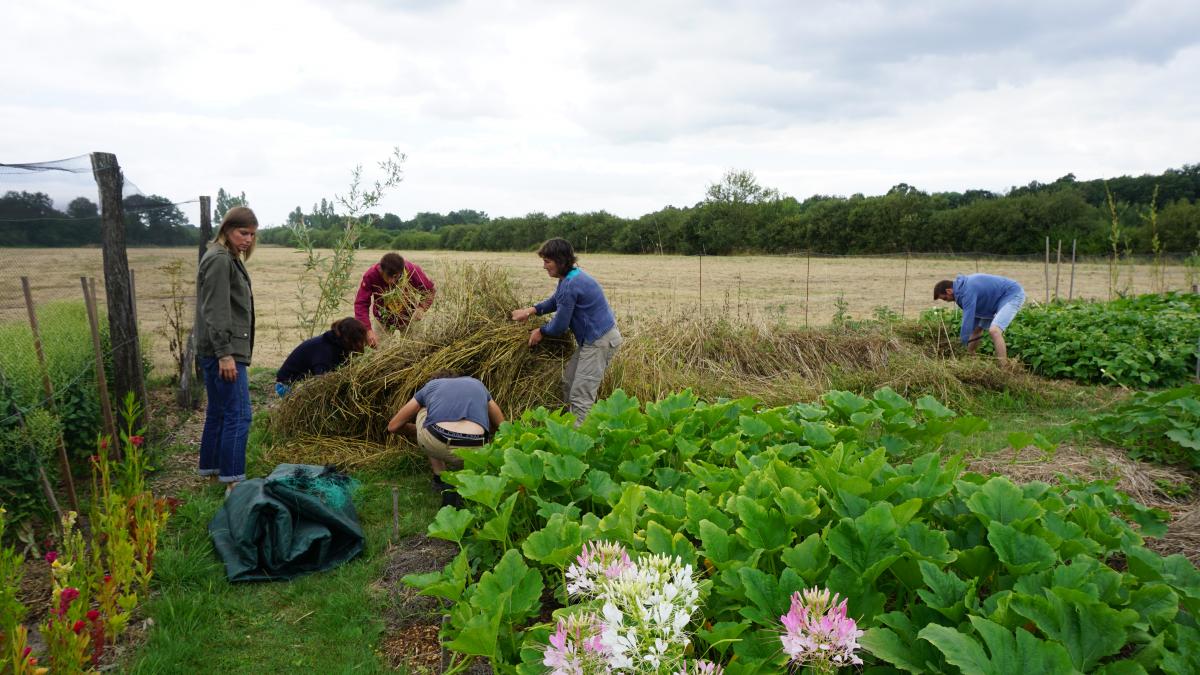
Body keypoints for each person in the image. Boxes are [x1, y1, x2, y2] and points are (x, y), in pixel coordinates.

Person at [511, 237, 622, 425]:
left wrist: (541, 331)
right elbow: (556, 300)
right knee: (569, 383)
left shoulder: (572, 284)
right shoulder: (570, 277)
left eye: (547, 262)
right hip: (591, 341)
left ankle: (578, 446)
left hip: (599, 342)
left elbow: (560, 326)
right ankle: (570, 429)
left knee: (581, 396)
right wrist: (530, 311)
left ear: (560, 261)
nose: (544, 266)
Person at [195, 206, 258, 495]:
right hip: (225, 351)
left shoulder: (226, 256)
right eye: (242, 232)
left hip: (219, 349)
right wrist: (225, 354)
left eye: (252, 234)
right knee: (239, 413)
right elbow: (216, 310)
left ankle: (212, 473)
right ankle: (234, 482)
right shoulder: (220, 259)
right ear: (227, 229)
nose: (247, 239)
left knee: (219, 412)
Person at [386, 370, 505, 506]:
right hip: (476, 447)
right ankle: (467, 482)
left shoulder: (431, 386)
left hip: (437, 441)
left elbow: (393, 426)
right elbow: (501, 425)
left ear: (437, 379)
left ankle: (440, 478)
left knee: (425, 410)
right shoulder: (478, 385)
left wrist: (419, 430)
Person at [934, 273, 1025, 364]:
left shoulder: (966, 291)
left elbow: (967, 321)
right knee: (976, 330)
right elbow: (972, 323)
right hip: (993, 301)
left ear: (949, 291)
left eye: (945, 298)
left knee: (994, 331)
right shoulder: (962, 289)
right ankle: (970, 359)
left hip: (1012, 294)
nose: (947, 301)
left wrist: (960, 345)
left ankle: (1004, 368)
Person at [354, 252, 436, 348]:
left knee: (415, 349)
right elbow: (361, 303)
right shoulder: (371, 275)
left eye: (395, 277)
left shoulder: (411, 270)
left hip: (410, 317)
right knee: (380, 351)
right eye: (388, 277)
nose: (391, 281)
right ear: (381, 270)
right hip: (383, 319)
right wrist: (367, 330)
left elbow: (429, 291)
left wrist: (421, 308)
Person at [274, 317, 368, 397]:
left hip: (304, 381)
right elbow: (322, 383)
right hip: (288, 386)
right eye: (358, 342)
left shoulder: (337, 343)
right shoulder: (325, 351)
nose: (360, 345)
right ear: (349, 339)